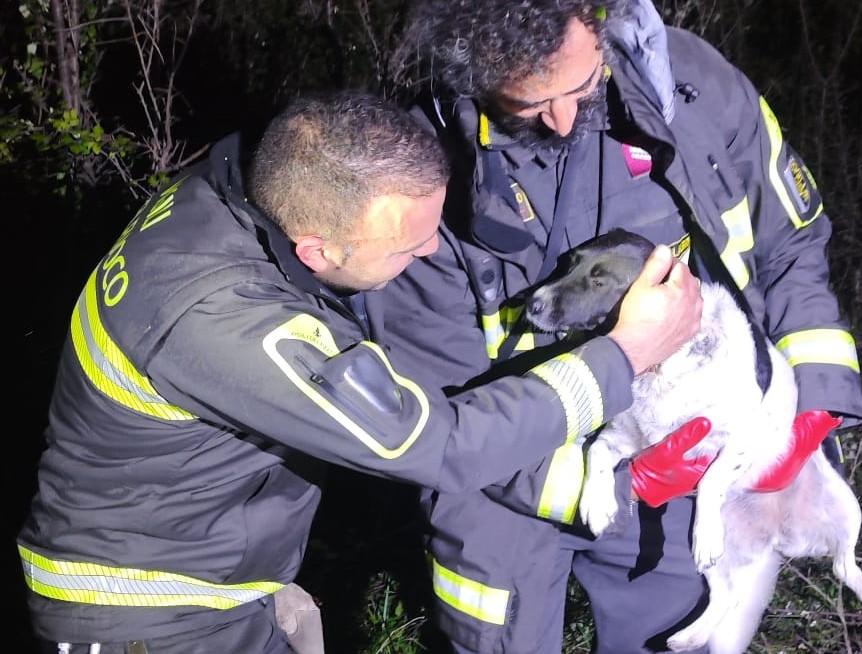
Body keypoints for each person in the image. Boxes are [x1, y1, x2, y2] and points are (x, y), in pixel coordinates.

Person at [18, 90, 727, 654]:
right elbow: (432, 443)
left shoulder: (243, 192)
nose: (425, 257)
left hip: (217, 584)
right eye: (405, 249)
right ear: (317, 249)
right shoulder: (229, 320)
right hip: (143, 614)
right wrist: (623, 354)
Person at [380, 1, 862, 652]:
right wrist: (602, 479)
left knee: (676, 633)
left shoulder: (692, 87)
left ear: (600, 18)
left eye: (580, 87)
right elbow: (437, 412)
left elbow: (790, 245)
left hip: (674, 459)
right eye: (525, 103)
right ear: (470, 66)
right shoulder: (416, 170)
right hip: (500, 481)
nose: (562, 119)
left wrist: (816, 397)